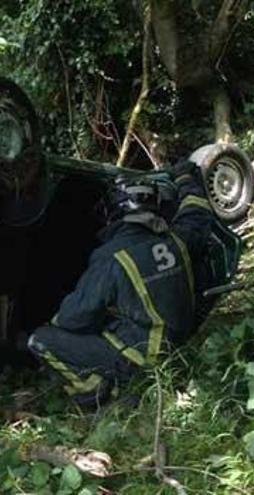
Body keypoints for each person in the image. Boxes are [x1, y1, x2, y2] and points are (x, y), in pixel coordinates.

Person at [26, 160, 215, 409]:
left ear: (115, 212)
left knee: (41, 340)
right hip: (179, 348)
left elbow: (74, 317)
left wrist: (56, 325)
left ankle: (100, 396)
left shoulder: (112, 257)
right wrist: (186, 180)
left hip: (139, 357)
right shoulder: (178, 239)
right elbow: (197, 212)